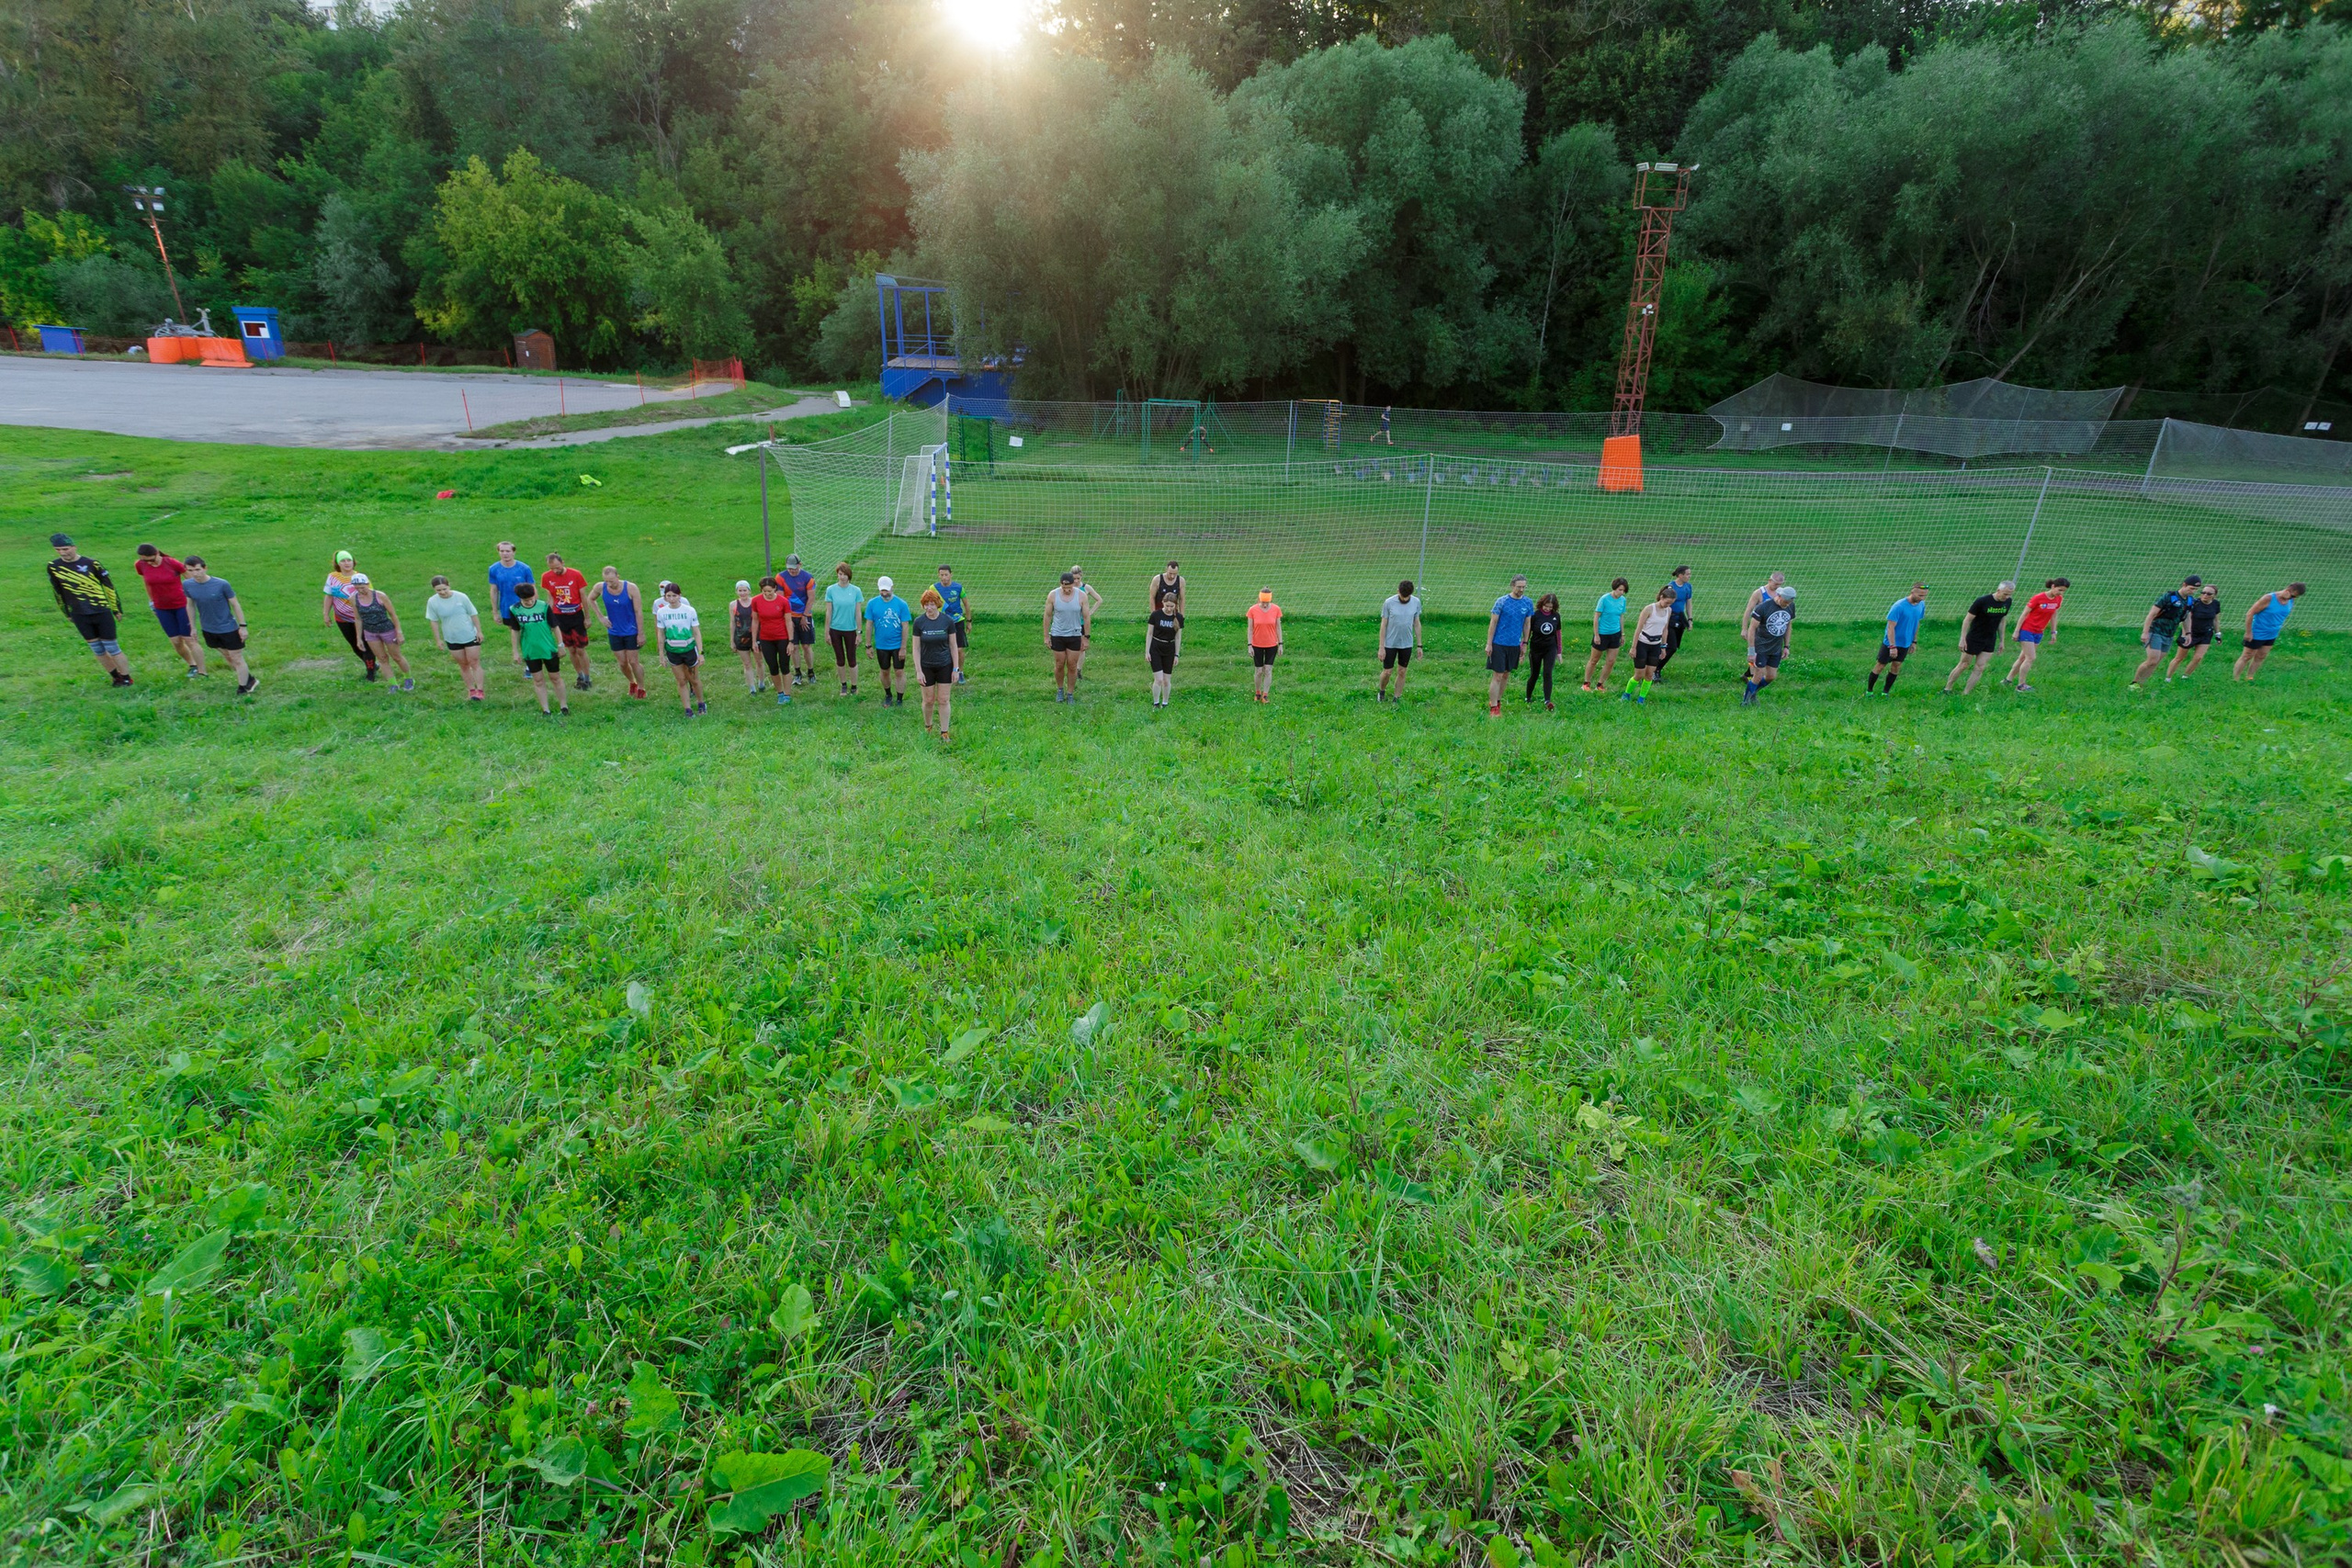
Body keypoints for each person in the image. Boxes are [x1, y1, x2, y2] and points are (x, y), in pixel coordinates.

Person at [47, 533, 133, 687]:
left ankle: (126, 677)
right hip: (79, 613)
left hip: (101, 610)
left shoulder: (92, 564)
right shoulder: (54, 567)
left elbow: (109, 586)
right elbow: (57, 591)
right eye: (58, 550)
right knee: (97, 649)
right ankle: (115, 676)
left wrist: (116, 608)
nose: (62, 553)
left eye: (65, 549)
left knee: (112, 647)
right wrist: (66, 612)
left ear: (74, 547)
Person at [181, 557, 255, 694]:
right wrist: (192, 627)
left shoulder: (222, 584)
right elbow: (190, 605)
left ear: (205, 568)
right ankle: (249, 679)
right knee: (227, 656)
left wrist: (243, 626)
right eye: (190, 570)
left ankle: (243, 688)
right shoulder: (187, 585)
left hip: (228, 628)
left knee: (236, 657)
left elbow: (235, 604)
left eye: (198, 569)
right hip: (209, 629)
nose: (195, 574)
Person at [132, 543, 203, 677]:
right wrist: (151, 601)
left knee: (189, 638)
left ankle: (201, 669)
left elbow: (191, 580)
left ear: (157, 553)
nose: (149, 563)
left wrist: (195, 599)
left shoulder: (172, 563)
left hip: (181, 605)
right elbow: (147, 583)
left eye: (151, 559)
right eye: (145, 560)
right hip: (162, 607)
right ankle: (192, 664)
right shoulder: (140, 565)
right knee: (176, 641)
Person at [1942, 581, 2013, 695]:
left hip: (1990, 639)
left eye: (2010, 594)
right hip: (1974, 637)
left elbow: (2002, 621)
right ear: (1998, 590)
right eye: (2005, 594)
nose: (2007, 597)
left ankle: (1966, 693)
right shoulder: (1982, 601)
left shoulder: (2008, 602)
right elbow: (1967, 620)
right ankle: (1947, 689)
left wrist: (2002, 641)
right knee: (1964, 665)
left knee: (1980, 667)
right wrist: (1962, 638)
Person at [2132, 575, 2202, 689]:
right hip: (2156, 631)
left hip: (2169, 634)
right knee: (2152, 660)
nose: (2193, 591)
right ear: (2184, 585)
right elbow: (2152, 614)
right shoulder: (2169, 597)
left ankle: (2141, 685)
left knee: (2156, 662)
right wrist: (2145, 632)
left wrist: (2188, 633)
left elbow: (2187, 617)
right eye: (2191, 588)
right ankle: (2134, 683)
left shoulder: (2190, 601)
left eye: (2195, 589)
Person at [424, 574, 486, 700]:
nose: (442, 592)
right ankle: (471, 690)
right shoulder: (432, 601)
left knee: (474, 662)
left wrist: (479, 631)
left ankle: (480, 690)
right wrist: (438, 639)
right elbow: (434, 621)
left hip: (469, 634)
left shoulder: (461, 597)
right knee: (463, 665)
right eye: (439, 590)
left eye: (444, 589)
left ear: (449, 586)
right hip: (451, 637)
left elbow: (473, 614)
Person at [508, 582, 567, 715]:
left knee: (555, 677)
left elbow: (555, 627)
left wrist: (560, 645)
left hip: (548, 649)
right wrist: (515, 652)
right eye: (526, 600)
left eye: (531, 599)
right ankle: (545, 709)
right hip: (530, 650)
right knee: (538, 680)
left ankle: (564, 706)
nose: (529, 602)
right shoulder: (514, 609)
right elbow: (515, 631)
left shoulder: (544, 607)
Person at [349, 573, 414, 691]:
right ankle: (393, 684)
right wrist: (359, 638)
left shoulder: (380, 596)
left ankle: (408, 678)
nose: (360, 590)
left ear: (367, 584)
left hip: (387, 630)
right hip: (370, 632)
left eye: (362, 587)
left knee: (396, 656)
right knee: (382, 658)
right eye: (357, 588)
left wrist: (398, 632)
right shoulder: (353, 599)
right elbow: (358, 618)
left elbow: (393, 614)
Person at [911, 586, 961, 738]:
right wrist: (919, 671)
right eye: (926, 604)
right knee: (928, 700)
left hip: (945, 665)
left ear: (937, 604)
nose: (929, 607)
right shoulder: (919, 622)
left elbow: (953, 646)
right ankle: (928, 726)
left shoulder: (947, 621)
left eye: (932, 604)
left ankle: (944, 732)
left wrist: (956, 669)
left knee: (944, 700)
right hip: (926, 666)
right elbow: (916, 649)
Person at [322, 550, 378, 681]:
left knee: (365, 645)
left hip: (362, 618)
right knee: (355, 646)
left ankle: (370, 673)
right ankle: (373, 666)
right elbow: (329, 596)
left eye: (349, 560)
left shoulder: (361, 578)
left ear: (353, 561)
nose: (346, 563)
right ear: (337, 563)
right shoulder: (333, 577)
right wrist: (326, 614)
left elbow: (371, 595)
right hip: (342, 618)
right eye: (343, 560)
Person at [541, 551, 594, 691]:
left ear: (563, 562)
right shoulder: (546, 577)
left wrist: (587, 617)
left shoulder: (575, 574)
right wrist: (549, 616)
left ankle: (588, 678)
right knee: (571, 649)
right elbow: (551, 597)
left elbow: (583, 596)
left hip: (576, 615)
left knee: (581, 649)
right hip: (560, 617)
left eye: (557, 567)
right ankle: (580, 675)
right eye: (552, 568)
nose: (555, 571)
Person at [2005, 577, 2068, 692]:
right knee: (2030, 657)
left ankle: (2007, 680)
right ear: (2053, 586)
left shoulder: (2058, 599)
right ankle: (2021, 686)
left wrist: (2054, 632)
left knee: (2022, 657)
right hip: (2027, 630)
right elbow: (2024, 614)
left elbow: (2053, 616)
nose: (2061, 593)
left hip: (2039, 632)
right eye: (2060, 590)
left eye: (2063, 591)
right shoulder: (2038, 598)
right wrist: (2016, 631)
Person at [1485, 574, 1535, 716]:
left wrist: (1525, 642)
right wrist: (1489, 644)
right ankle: (1493, 707)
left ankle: (1498, 701)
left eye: (1523, 587)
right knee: (1498, 675)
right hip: (1499, 643)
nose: (1521, 589)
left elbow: (1527, 624)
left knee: (1506, 674)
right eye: (1519, 587)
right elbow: (1493, 623)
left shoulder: (1527, 603)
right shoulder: (1502, 602)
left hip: (1514, 644)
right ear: (1512, 586)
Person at [652, 581, 707, 715]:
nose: (671, 599)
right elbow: (661, 633)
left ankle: (701, 703)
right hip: (673, 651)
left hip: (688, 649)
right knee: (681, 680)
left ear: (679, 596)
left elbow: (696, 632)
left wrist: (701, 653)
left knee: (693, 679)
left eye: (674, 596)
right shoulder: (662, 612)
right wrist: (661, 654)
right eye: (668, 596)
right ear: (665, 597)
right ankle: (687, 708)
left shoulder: (689, 610)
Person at [2233, 583, 2305, 682]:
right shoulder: (2268, 598)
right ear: (2288, 590)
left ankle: (2249, 677)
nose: (2292, 598)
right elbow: (2250, 613)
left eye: (2295, 597)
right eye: (2292, 595)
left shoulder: (2290, 600)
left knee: (2261, 656)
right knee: (2247, 656)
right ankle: (2235, 679)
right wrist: (2248, 632)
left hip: (2272, 634)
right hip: (2257, 633)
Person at [596, 566, 649, 699]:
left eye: (612, 581)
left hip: (631, 630)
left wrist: (640, 633)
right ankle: (632, 682)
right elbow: (590, 599)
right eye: (607, 581)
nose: (610, 584)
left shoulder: (631, 588)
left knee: (633, 661)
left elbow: (638, 611)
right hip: (614, 631)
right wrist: (601, 617)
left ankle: (641, 687)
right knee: (622, 663)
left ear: (618, 576)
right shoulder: (600, 587)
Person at [1869, 583, 1928, 695]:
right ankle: (1869, 691)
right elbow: (1891, 627)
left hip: (1905, 643)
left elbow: (1916, 623)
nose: (1922, 598)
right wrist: (1892, 646)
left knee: (1896, 666)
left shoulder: (1921, 605)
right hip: (1891, 643)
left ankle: (1885, 692)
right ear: (1912, 592)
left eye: (1924, 596)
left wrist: (1914, 641)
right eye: (1920, 595)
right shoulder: (1899, 606)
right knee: (1880, 665)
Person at [864, 574, 913, 706]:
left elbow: (905, 626)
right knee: (884, 670)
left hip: (897, 645)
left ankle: (899, 699)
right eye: (882, 590)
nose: (884, 593)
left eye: (886, 590)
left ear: (892, 588)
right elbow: (869, 625)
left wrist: (903, 647)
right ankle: (888, 695)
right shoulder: (872, 604)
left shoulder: (901, 604)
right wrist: (868, 645)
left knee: (899, 671)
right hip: (881, 645)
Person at [1743, 586, 1795, 705]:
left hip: (1776, 648)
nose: (1787, 605)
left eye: (1789, 603)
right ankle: (1745, 702)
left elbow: (1788, 626)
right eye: (1785, 602)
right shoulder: (1763, 607)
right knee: (1757, 675)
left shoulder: (1791, 606)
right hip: (1761, 647)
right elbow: (1752, 629)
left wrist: (1786, 646)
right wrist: (1751, 652)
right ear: (1779, 596)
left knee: (1771, 676)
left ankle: (1753, 692)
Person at [486, 542, 536, 666]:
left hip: (525, 606)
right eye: (502, 551)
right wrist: (495, 611)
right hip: (507, 607)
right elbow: (494, 590)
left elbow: (532, 588)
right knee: (515, 632)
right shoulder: (494, 569)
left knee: (527, 633)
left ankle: (530, 658)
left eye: (507, 551)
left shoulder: (524, 568)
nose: (505, 554)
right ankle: (522, 656)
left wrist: (534, 606)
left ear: (514, 552)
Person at [1045, 570, 1091, 702]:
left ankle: (1070, 693)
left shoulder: (1081, 596)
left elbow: (1086, 617)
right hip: (1058, 634)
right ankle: (1060, 690)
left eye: (1069, 588)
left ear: (1074, 584)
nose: (1067, 591)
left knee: (1072, 665)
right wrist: (1046, 636)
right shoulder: (1053, 595)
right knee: (1059, 664)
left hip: (1074, 634)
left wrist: (1086, 637)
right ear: (1061, 585)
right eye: (1065, 588)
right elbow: (1047, 616)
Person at [1625, 584, 1674, 701]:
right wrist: (1633, 647)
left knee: (1649, 675)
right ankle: (1627, 694)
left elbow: (1665, 629)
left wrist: (1663, 647)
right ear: (1661, 597)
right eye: (1666, 602)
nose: (1668, 605)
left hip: (1655, 645)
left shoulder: (1669, 610)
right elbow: (1638, 628)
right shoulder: (1649, 609)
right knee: (1639, 675)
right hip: (1643, 643)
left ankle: (1642, 698)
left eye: (1670, 603)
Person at [1377, 579, 1422, 701]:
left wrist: (1419, 645)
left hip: (1406, 644)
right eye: (1402, 596)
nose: (1404, 599)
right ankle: (1381, 691)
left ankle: (1397, 698)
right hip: (1390, 643)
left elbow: (1417, 623)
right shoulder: (1389, 603)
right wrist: (1381, 647)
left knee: (1402, 671)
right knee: (1387, 672)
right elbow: (1383, 625)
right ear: (1398, 591)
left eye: (1407, 597)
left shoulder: (1416, 602)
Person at [2165, 585, 2222, 681]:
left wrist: (2218, 634)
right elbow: (2186, 619)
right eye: (2203, 592)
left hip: (2205, 634)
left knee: (2198, 658)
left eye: (2209, 594)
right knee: (2179, 658)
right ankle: (2168, 678)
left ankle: (2185, 677)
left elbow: (2215, 620)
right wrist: (2185, 635)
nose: (2205, 595)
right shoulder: (2194, 603)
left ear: (2214, 595)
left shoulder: (2215, 604)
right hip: (2191, 633)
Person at [1580, 578, 1628, 693]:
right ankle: (1586, 683)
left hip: (1615, 634)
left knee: (1611, 661)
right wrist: (1596, 635)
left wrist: (1622, 634)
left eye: (1623, 591)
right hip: (1602, 634)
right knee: (1594, 660)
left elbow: (1621, 616)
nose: (1621, 593)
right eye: (1619, 590)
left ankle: (1600, 684)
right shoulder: (1604, 599)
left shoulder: (1623, 600)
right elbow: (1596, 617)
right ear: (1614, 588)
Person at [778, 554, 819, 686]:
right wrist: (788, 618)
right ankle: (797, 673)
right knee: (794, 646)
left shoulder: (808, 578)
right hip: (789, 617)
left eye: (794, 569)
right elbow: (781, 599)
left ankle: (811, 672)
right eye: (790, 569)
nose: (792, 571)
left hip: (804, 615)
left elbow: (811, 598)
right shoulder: (780, 578)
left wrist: (805, 616)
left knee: (806, 646)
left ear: (800, 565)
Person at [752, 578, 794, 704]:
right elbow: (755, 620)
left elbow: (788, 621)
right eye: (765, 592)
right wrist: (754, 640)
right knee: (773, 666)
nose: (768, 594)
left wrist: (791, 641)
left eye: (770, 591)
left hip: (782, 637)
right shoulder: (756, 601)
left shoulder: (783, 601)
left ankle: (787, 694)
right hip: (766, 638)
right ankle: (779, 692)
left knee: (784, 665)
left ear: (775, 588)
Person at [823, 563, 863, 696]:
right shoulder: (831, 590)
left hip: (850, 629)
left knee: (852, 659)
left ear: (849, 575)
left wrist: (859, 632)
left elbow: (858, 613)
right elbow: (829, 611)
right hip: (835, 629)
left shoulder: (856, 590)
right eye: (840, 574)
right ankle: (844, 685)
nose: (842, 577)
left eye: (845, 574)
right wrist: (827, 631)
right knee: (840, 658)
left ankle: (854, 686)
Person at [1525, 592, 1565, 707]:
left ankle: (1547, 700)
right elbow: (1528, 631)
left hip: (1550, 648)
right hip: (1536, 648)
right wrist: (1524, 645)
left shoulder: (1556, 616)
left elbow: (1558, 634)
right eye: (1546, 606)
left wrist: (1559, 651)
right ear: (1541, 604)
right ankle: (1528, 697)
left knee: (1547, 673)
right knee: (1535, 674)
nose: (1547, 609)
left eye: (1550, 607)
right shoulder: (1535, 615)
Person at [1146, 590, 1184, 707]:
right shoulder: (1156, 615)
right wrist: (1147, 651)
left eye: (1171, 606)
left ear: (1175, 605)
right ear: (1163, 603)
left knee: (1167, 680)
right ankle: (1156, 703)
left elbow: (1178, 638)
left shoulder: (1179, 617)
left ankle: (1165, 703)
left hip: (1169, 649)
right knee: (1158, 679)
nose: (1169, 608)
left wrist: (1176, 654)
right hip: (1156, 648)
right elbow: (1149, 633)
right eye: (1167, 606)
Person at [1069, 567, 1105, 687]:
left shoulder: (1086, 588)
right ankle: (1071, 668)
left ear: (1081, 577)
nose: (1075, 581)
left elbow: (1099, 600)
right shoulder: (1068, 588)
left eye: (1078, 579)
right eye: (1073, 579)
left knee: (1082, 646)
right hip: (1070, 621)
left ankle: (1078, 670)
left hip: (1082, 622)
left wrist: (1090, 612)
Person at [1247, 588, 1283, 702]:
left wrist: (1281, 644)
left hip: (1271, 644)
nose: (1264, 605)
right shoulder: (1252, 610)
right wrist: (1250, 645)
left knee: (1268, 670)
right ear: (1259, 600)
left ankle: (1265, 694)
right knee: (1259, 671)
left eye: (1266, 603)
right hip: (1257, 644)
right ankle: (1257, 692)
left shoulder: (1276, 609)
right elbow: (1250, 629)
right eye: (1263, 602)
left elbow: (1278, 627)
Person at [934, 564, 970, 682]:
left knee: (959, 649)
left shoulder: (958, 588)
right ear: (938, 575)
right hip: (942, 622)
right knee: (944, 649)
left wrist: (969, 621)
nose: (944, 577)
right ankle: (945, 671)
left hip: (957, 622)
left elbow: (966, 604)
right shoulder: (933, 588)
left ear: (951, 574)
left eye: (946, 575)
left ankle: (960, 672)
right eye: (941, 575)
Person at [729, 581, 765, 694]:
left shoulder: (755, 602)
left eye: (745, 590)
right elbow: (732, 622)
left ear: (749, 591)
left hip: (756, 637)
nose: (743, 593)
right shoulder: (733, 605)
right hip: (741, 638)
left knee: (759, 661)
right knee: (747, 664)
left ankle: (761, 682)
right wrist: (732, 640)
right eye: (740, 591)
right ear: (736, 591)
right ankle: (752, 688)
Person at [1657, 566, 1693, 679]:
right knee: (1670, 647)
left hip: (1680, 618)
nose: (1689, 576)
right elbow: (1662, 602)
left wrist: (1689, 619)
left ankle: (1654, 666)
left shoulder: (1688, 587)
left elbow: (1688, 603)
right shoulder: (1671, 587)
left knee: (1674, 647)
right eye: (1687, 574)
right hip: (1669, 619)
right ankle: (1655, 669)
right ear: (1680, 575)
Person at [1146, 559, 1186, 660]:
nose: (1172, 576)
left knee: (1174, 632)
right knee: (1157, 632)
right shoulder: (1157, 579)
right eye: (1170, 573)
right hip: (1160, 611)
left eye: (1175, 574)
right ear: (1166, 570)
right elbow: (1151, 597)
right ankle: (1153, 651)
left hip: (1173, 613)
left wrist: (1181, 615)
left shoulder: (1181, 581)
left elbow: (1182, 599)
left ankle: (1174, 652)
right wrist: (1153, 614)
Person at [1743, 571, 1787, 662]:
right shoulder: (1759, 593)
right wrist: (1744, 629)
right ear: (1770, 581)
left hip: (1772, 631)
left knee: (1767, 655)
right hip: (1759, 630)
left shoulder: (1781, 594)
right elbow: (1748, 610)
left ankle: (1750, 674)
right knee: (1755, 653)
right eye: (1776, 584)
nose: (1778, 587)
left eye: (1780, 585)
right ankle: (1752, 675)